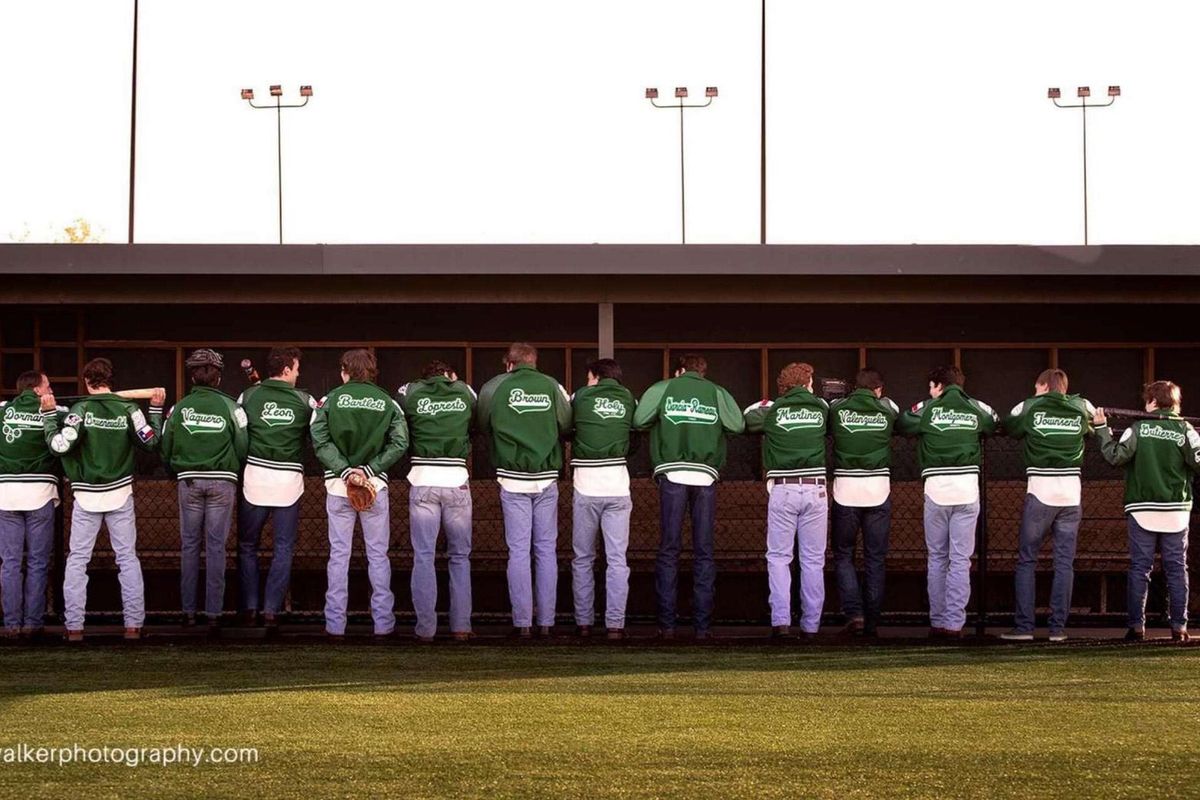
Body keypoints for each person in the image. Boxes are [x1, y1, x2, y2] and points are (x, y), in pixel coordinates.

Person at [42, 358, 165, 642]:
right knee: (127, 559)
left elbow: (59, 446)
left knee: (77, 561)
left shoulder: (79, 410)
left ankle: (74, 629)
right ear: (112, 380)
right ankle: (133, 627)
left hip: (85, 496)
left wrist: (49, 417)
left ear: (87, 381)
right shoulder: (130, 409)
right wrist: (156, 409)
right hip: (120, 493)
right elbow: (151, 442)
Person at [634, 353, 744, 640]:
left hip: (671, 475)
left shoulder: (663, 388)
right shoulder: (716, 391)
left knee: (669, 550)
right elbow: (738, 425)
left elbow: (640, 419)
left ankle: (667, 626)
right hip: (706, 475)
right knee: (704, 552)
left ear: (679, 370)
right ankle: (702, 628)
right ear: (703, 372)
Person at [310, 349, 408, 639]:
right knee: (378, 556)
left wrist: (345, 472)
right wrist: (369, 470)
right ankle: (383, 625)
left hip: (338, 487)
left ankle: (335, 626)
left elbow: (319, 439)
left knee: (339, 555)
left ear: (344, 371)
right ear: (372, 371)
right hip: (374, 486)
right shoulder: (388, 402)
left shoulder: (328, 401)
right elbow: (400, 442)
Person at [476, 343, 572, 638]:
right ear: (534, 361)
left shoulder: (494, 387)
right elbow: (567, 425)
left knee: (518, 552)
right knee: (546, 551)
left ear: (509, 363)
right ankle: (546, 622)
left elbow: (482, 424)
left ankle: (522, 624)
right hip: (546, 477)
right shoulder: (552, 386)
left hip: (511, 478)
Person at [896, 366, 997, 639]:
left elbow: (904, 422)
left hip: (937, 491)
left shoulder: (927, 408)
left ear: (938, 386)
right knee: (960, 561)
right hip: (967, 491)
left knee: (938, 558)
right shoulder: (976, 407)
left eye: (931, 387)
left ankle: (938, 621)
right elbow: (993, 423)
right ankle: (954, 624)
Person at [1095, 380, 1200, 642]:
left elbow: (1115, 456)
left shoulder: (1137, 429)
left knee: (1140, 568)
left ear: (1152, 402)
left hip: (1142, 509)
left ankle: (1136, 628)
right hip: (1176, 511)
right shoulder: (1186, 430)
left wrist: (1102, 430)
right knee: (1177, 569)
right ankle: (1180, 628)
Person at [1000, 369, 1096, 643]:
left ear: (1042, 386)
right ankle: (1057, 629)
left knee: (1027, 559)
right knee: (1064, 562)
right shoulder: (1082, 405)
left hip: (1040, 490)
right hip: (1071, 494)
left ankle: (1024, 627)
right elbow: (1093, 426)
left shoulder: (1030, 405)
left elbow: (1010, 425)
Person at [160, 349, 248, 633]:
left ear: (192, 376)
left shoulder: (179, 408)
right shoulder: (233, 407)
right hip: (223, 482)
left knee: (189, 547)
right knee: (216, 548)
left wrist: (177, 470)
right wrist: (232, 469)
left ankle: (187, 613)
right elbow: (243, 446)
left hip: (188, 481)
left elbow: (165, 447)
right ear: (219, 377)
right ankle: (214, 613)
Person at [744, 362, 829, 639]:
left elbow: (748, 416)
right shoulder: (822, 407)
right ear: (806, 383)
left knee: (779, 558)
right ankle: (811, 626)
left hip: (783, 489)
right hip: (815, 488)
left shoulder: (773, 409)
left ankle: (780, 622)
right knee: (813, 561)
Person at [236, 347, 317, 632]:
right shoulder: (305, 400)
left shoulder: (248, 396)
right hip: (288, 481)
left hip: (254, 477)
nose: (298, 374)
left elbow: (239, 435)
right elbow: (317, 436)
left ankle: (250, 607)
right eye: (296, 369)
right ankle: (271, 610)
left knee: (247, 546)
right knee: (283, 548)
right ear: (286, 370)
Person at [398, 360, 476, 642]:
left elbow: (399, 416)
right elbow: (476, 422)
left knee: (424, 556)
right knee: (460, 558)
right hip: (456, 479)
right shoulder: (464, 391)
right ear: (450, 376)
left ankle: (426, 630)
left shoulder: (411, 392)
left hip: (422, 479)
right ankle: (461, 628)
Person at [829, 368, 900, 637]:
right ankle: (872, 620)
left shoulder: (838, 407)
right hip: (877, 489)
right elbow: (899, 417)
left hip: (845, 490)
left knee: (844, 555)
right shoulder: (887, 407)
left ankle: (854, 614)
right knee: (875, 558)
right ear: (878, 389)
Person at [569, 357, 636, 640]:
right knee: (617, 560)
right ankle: (615, 626)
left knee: (583, 558)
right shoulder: (630, 398)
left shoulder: (580, 397)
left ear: (595, 377)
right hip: (618, 485)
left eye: (588, 377)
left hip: (586, 485)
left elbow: (565, 422)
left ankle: (584, 623)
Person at [0, 371, 65, 640]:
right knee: (38, 562)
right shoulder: (58, 412)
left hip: (6, 496)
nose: (51, 390)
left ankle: (11, 625)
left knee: (10, 563)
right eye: (48, 385)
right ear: (37, 390)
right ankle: (33, 624)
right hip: (41, 493)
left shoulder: (2, 411)